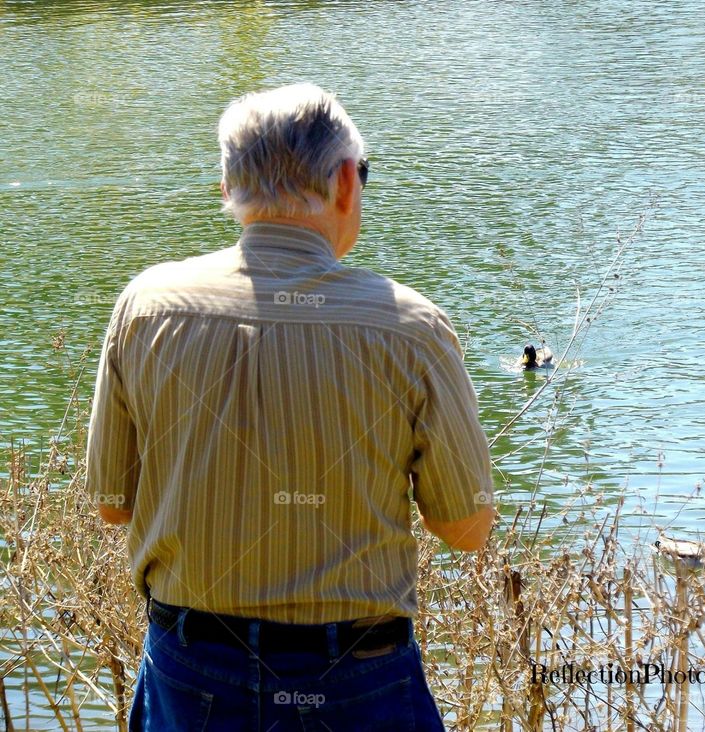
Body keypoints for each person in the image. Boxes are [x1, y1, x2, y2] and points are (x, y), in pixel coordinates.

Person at [86, 83, 494, 731]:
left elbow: (112, 502)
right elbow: (466, 528)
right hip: (355, 677)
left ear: (226, 186)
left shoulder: (145, 306)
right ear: (343, 183)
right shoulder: (410, 327)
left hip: (191, 668)